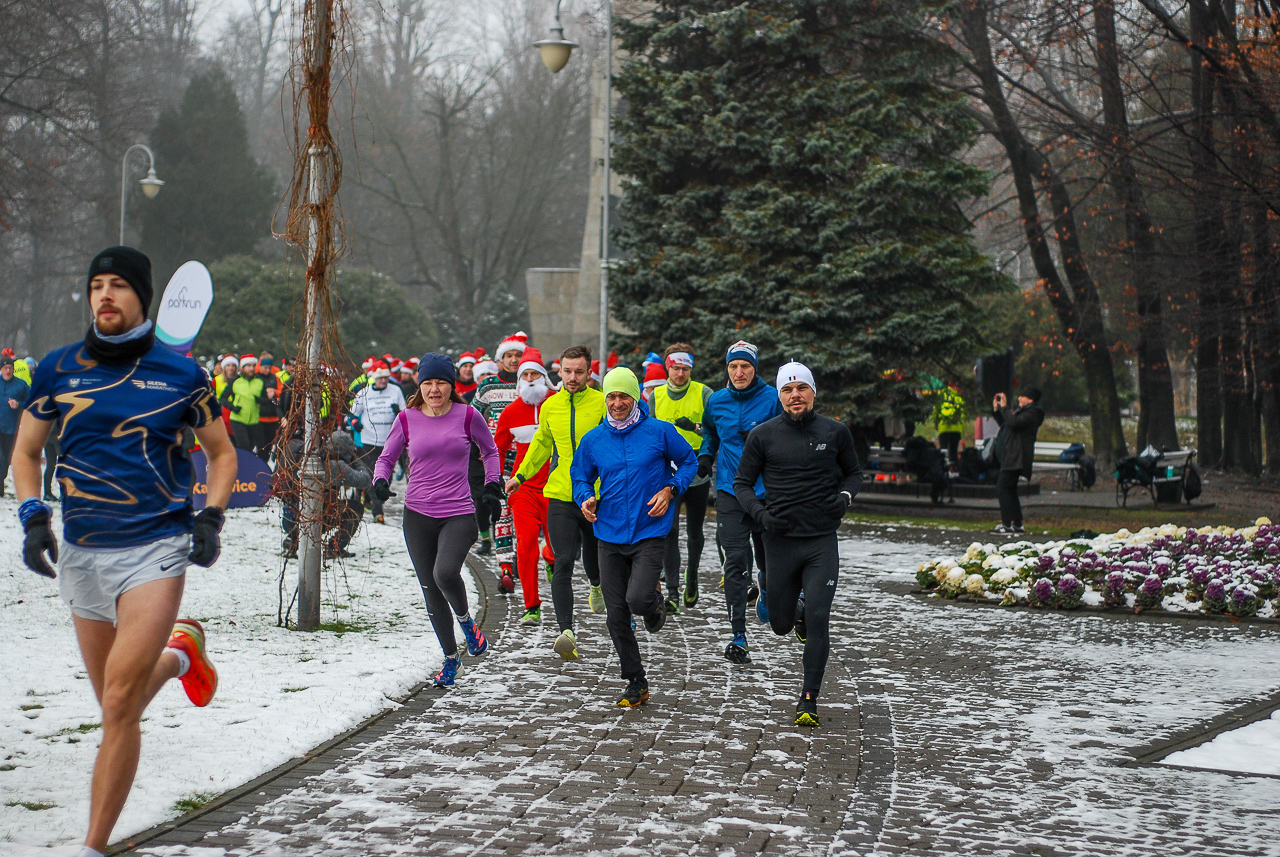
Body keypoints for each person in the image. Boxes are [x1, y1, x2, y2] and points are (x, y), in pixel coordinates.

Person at [11, 246, 237, 857]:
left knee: (116, 704)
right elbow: (26, 453)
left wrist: (210, 517)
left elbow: (221, 454)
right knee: (120, 701)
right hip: (82, 552)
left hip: (155, 546)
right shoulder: (58, 369)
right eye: (96, 286)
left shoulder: (181, 375)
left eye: (118, 286)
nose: (104, 295)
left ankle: (92, 846)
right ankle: (181, 657)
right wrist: (34, 516)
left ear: (142, 296)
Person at [734, 361, 862, 727]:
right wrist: (760, 515)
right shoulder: (763, 435)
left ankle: (809, 698)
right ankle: (790, 604)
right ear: (780, 396)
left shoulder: (835, 432)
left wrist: (845, 497)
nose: (795, 396)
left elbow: (854, 473)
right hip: (780, 540)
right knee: (779, 623)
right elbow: (741, 484)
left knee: (820, 618)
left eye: (801, 389)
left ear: (813, 392)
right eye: (788, 391)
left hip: (821, 540)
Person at [373, 354, 501, 688]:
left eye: (441, 382)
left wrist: (491, 484)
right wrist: (380, 481)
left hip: (459, 512)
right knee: (430, 588)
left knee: (444, 572)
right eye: (428, 382)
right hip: (417, 515)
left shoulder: (467, 415)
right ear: (420, 384)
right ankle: (451, 660)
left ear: (451, 385)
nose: (434, 389)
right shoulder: (407, 418)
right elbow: (386, 457)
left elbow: (490, 452)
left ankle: (467, 623)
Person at [571, 367, 697, 707]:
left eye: (623, 396)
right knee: (616, 615)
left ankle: (654, 603)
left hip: (649, 529)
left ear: (636, 396)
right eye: (611, 396)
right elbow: (580, 476)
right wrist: (584, 497)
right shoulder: (594, 439)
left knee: (637, 600)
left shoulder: (659, 432)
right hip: (609, 532)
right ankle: (635, 681)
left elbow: (689, 462)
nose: (616, 403)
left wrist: (671, 490)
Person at [506, 344, 606, 660]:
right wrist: (519, 477)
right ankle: (566, 631)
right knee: (562, 560)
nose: (573, 377)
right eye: (567, 371)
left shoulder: (602, 403)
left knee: (595, 562)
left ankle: (596, 584)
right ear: (558, 372)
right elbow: (540, 446)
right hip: (561, 493)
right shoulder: (552, 406)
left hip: (597, 496)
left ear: (589, 372)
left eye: (579, 371)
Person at [700, 340, 781, 664]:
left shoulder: (773, 399)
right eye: (733, 366)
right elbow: (710, 431)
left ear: (755, 368)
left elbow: (788, 432)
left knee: (770, 562)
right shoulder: (717, 401)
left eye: (745, 366)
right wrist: (706, 454)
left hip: (766, 493)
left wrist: (765, 439)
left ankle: (767, 585)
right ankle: (738, 635)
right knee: (734, 562)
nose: (739, 372)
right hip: (731, 491)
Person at [493, 347, 556, 621]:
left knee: (556, 546)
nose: (530, 379)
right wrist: (496, 479)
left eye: (535, 373)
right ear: (519, 380)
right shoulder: (511, 412)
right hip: (524, 488)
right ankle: (532, 605)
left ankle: (551, 557)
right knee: (526, 542)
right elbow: (498, 448)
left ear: (544, 377)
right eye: (525, 374)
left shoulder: (557, 403)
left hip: (557, 486)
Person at [650, 344, 712, 612]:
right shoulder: (656, 396)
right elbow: (649, 432)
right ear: (668, 367)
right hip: (669, 471)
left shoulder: (703, 393)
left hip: (697, 469)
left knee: (694, 531)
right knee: (669, 530)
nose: (680, 374)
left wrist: (695, 428)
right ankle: (673, 591)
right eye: (676, 368)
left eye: (685, 369)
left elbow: (715, 430)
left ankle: (693, 575)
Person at [350, 363, 407, 523]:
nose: (384, 380)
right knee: (373, 475)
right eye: (381, 377)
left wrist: (398, 413)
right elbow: (352, 415)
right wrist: (355, 423)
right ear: (374, 378)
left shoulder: (395, 391)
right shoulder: (364, 393)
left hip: (390, 441)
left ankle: (378, 501)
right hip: (369, 441)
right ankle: (377, 511)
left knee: (386, 479)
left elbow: (405, 413)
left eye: (386, 377)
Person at [991, 387, 1045, 535]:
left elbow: (1014, 422)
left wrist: (1005, 407)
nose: (1019, 398)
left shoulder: (1033, 413)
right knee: (1010, 490)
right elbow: (1007, 424)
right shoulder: (1023, 412)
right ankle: (1017, 524)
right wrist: (997, 411)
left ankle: (1007, 524)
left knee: (1002, 487)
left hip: (1017, 457)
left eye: (1023, 396)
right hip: (1012, 456)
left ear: (1030, 399)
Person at [218, 355, 269, 457]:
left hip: (254, 421)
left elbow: (266, 400)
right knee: (243, 446)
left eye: (253, 366)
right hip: (238, 420)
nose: (251, 368)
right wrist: (233, 407)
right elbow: (223, 398)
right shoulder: (235, 381)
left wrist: (261, 400)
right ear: (242, 368)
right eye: (248, 366)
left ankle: (245, 469)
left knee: (250, 448)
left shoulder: (260, 382)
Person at [0, 355, 31, 496]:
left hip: (10, 428)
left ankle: (1, 481)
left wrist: (19, 404)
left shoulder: (21, 385)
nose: (8, 371)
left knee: (6, 459)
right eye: (5, 368)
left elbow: (32, 402)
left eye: (10, 368)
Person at [256, 352, 284, 459]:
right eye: (265, 367)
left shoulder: (274, 377)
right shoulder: (256, 377)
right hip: (259, 418)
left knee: (269, 447)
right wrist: (265, 394)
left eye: (269, 368)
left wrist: (275, 392)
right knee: (260, 446)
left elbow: (282, 391)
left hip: (273, 417)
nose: (268, 370)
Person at [934, 382, 965, 465]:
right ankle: (954, 468)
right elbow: (962, 415)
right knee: (954, 451)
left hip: (943, 429)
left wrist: (936, 424)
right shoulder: (958, 398)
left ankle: (942, 468)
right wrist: (961, 430)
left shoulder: (940, 396)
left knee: (943, 450)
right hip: (956, 429)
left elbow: (936, 412)